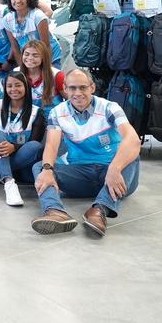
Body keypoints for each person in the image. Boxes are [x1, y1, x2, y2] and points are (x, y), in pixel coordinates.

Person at [31, 69, 141, 237]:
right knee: (41, 168)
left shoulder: (109, 108)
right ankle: (55, 211)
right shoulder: (57, 113)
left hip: (116, 177)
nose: (78, 93)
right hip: (82, 174)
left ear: (92, 88)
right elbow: (52, 146)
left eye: (83, 87)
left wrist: (115, 168)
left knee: (131, 156)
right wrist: (47, 170)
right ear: (65, 90)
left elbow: (133, 139)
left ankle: (99, 210)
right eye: (72, 88)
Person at [0, 72, 46, 207]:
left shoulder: (37, 112)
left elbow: (35, 140)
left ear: (26, 87)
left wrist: (14, 147)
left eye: (18, 85)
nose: (13, 89)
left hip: (23, 163)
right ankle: (9, 183)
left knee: (35, 146)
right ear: (5, 88)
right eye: (9, 86)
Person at [4, 0, 62, 68]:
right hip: (30, 58)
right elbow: (15, 47)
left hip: (50, 56)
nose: (18, 0)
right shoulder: (7, 20)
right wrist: (22, 69)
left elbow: (46, 45)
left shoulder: (38, 16)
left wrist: (47, 68)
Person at [19, 40, 65, 113]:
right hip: (27, 118)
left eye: (35, 55)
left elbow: (70, 100)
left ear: (43, 57)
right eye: (26, 54)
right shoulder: (16, 73)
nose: (30, 58)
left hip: (52, 120)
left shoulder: (57, 75)